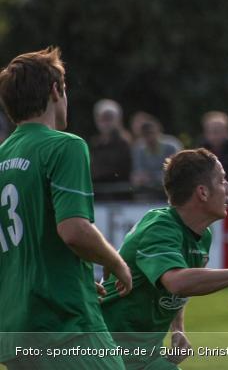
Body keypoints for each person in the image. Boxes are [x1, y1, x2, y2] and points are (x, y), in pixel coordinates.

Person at [0, 47, 132, 370]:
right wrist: (117, 263)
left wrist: (74, 273)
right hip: (65, 324)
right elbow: (74, 230)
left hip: (15, 330)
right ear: (56, 90)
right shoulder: (65, 146)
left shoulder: (2, 156)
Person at [102, 148, 228, 370]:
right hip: (106, 351)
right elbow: (177, 282)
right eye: (222, 181)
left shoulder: (202, 235)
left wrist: (178, 328)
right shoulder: (159, 228)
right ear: (202, 192)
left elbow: (181, 285)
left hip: (144, 356)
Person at [131, 116, 182, 201]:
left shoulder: (172, 146)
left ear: (159, 132)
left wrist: (150, 177)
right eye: (145, 134)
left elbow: (175, 173)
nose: (149, 137)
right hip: (148, 194)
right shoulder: (138, 149)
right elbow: (138, 175)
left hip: (171, 193)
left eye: (151, 133)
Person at [89, 99, 133, 201]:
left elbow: (121, 170)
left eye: (109, 118)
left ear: (118, 119)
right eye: (102, 118)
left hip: (121, 196)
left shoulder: (126, 143)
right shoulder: (95, 143)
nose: (105, 123)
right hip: (99, 196)